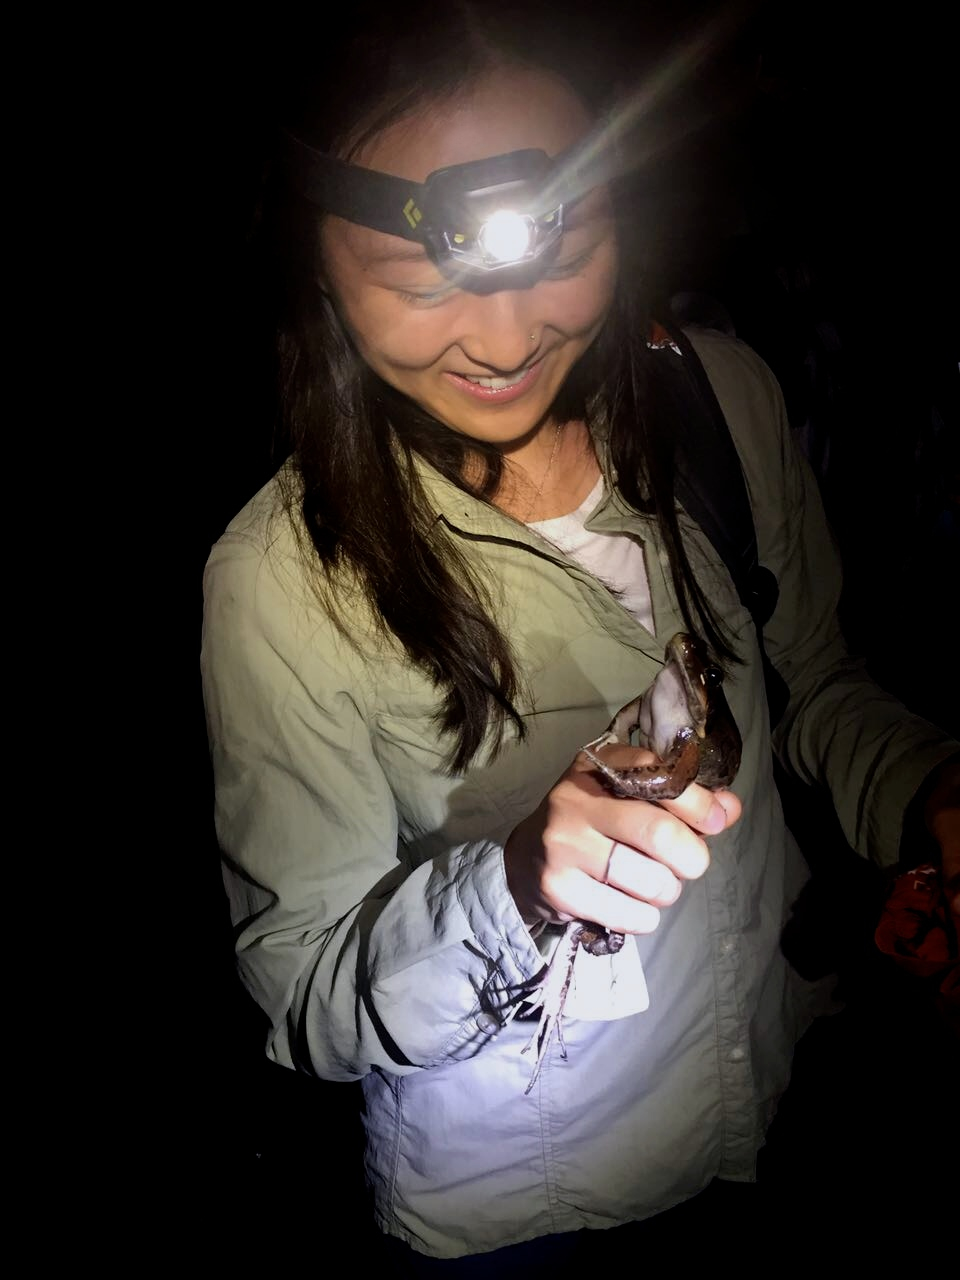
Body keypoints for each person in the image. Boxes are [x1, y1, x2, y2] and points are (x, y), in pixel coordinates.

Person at [201, 3, 959, 1270]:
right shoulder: (278, 580)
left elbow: (817, 679)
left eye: (566, 248)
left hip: (776, 1102)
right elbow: (301, 989)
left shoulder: (723, 398)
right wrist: (513, 888)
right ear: (316, 263)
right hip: (523, 1218)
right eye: (418, 279)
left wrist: (931, 785)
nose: (507, 340)